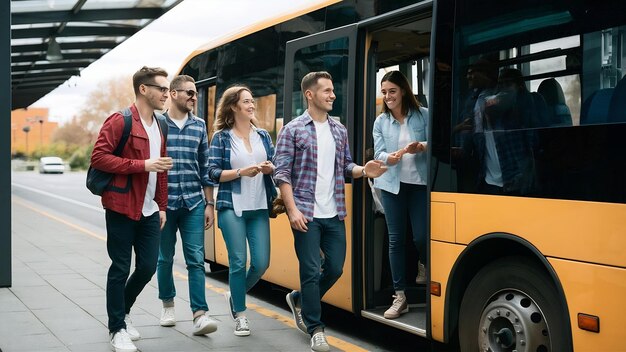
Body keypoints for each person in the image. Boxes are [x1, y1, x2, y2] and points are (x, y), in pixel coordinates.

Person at [273, 71, 387, 352]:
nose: (333, 95)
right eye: (326, 90)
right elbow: (282, 174)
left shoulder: (339, 130)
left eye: (333, 90)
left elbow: (346, 166)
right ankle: (315, 328)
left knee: (335, 268)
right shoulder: (293, 129)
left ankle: (300, 298)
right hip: (306, 214)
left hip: (334, 212)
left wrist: (364, 170)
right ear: (310, 95)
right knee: (311, 271)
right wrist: (292, 211)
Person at [90, 66, 173, 352]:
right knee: (120, 268)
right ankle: (117, 329)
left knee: (148, 266)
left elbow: (161, 169)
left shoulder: (161, 124)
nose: (166, 93)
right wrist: (142, 165)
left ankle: (122, 313)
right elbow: (99, 157)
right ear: (143, 89)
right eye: (162, 88)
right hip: (122, 207)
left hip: (150, 210)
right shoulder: (120, 120)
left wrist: (162, 206)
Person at [208, 85, 276, 337]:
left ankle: (234, 296)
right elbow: (212, 172)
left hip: (258, 207)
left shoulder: (264, 136)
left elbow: (276, 166)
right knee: (238, 262)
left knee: (261, 263)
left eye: (252, 101)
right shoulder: (222, 138)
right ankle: (240, 314)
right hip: (232, 207)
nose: (251, 105)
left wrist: (270, 168)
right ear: (234, 106)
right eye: (246, 101)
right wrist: (240, 172)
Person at [156, 75, 218, 335]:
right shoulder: (157, 124)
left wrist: (209, 203)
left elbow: (205, 167)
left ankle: (199, 315)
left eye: (195, 94)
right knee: (164, 258)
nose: (195, 97)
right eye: (190, 93)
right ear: (173, 94)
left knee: (195, 260)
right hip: (164, 204)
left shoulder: (200, 125)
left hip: (193, 202)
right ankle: (168, 305)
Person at [371, 70, 429, 320]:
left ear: (404, 90)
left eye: (392, 91)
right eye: (384, 92)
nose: (387, 96)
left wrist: (422, 146)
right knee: (396, 240)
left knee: (421, 236)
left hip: (419, 184)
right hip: (392, 185)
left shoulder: (424, 115)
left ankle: (424, 263)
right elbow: (379, 153)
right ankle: (400, 296)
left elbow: (437, 141)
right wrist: (390, 157)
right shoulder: (381, 122)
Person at [475, 68, 543, 195]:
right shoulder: (485, 102)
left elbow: (533, 141)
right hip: (489, 181)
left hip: (516, 178)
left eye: (508, 84)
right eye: (500, 84)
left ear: (520, 87)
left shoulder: (524, 105)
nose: (503, 89)